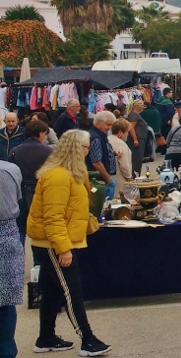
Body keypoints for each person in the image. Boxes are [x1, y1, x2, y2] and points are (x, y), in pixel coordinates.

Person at [27, 131, 110, 355]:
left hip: (54, 240)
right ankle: (87, 339)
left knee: (53, 291)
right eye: (85, 147)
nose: (87, 151)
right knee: (71, 290)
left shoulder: (69, 174)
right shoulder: (59, 177)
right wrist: (63, 248)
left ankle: (46, 338)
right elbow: (53, 217)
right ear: (76, 149)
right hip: (54, 243)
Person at [10, 119, 52, 246]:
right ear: (40, 133)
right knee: (38, 228)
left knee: (20, 227)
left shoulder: (15, 151)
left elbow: (11, 174)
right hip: (40, 192)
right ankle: (38, 263)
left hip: (21, 192)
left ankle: (19, 260)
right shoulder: (48, 151)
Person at [0, 155, 23, 358]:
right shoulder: (12, 169)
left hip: (6, 233)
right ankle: (7, 351)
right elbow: (17, 198)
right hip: (9, 235)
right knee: (6, 301)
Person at [86, 112, 117, 201]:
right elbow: (96, 162)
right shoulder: (96, 138)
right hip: (101, 179)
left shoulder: (99, 135)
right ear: (99, 122)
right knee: (105, 206)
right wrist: (108, 179)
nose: (110, 128)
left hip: (102, 178)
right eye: (108, 125)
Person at [107, 119, 134, 198]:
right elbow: (124, 164)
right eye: (126, 132)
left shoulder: (107, 139)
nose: (127, 135)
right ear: (120, 132)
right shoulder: (121, 144)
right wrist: (129, 177)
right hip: (120, 179)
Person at [125, 100, 151, 177]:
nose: (143, 107)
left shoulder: (135, 115)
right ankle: (135, 176)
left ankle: (136, 175)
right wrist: (135, 139)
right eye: (142, 105)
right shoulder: (134, 116)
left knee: (138, 159)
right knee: (136, 159)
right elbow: (131, 127)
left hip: (141, 140)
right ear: (138, 106)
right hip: (137, 141)